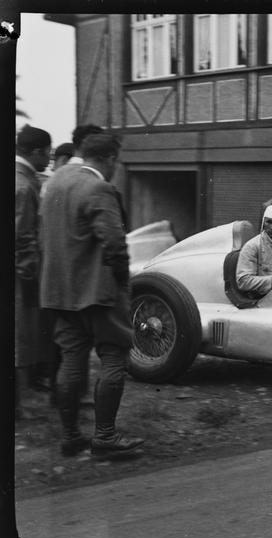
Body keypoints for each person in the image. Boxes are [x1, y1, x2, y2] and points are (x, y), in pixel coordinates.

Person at [39, 132, 144, 459]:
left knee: (72, 360)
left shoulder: (56, 180)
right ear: (110, 158)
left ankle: (70, 436)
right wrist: (123, 284)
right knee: (114, 356)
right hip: (98, 292)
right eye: (117, 161)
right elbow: (115, 243)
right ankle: (105, 437)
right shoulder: (98, 188)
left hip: (60, 291)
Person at [14, 125, 52, 418]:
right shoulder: (25, 185)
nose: (49, 159)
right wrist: (31, 275)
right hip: (21, 274)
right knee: (20, 338)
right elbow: (22, 236)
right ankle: (17, 406)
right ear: (37, 152)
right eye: (47, 153)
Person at [236, 204, 272, 299]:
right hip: (259, 301)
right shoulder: (252, 246)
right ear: (263, 224)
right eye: (268, 222)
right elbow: (243, 281)